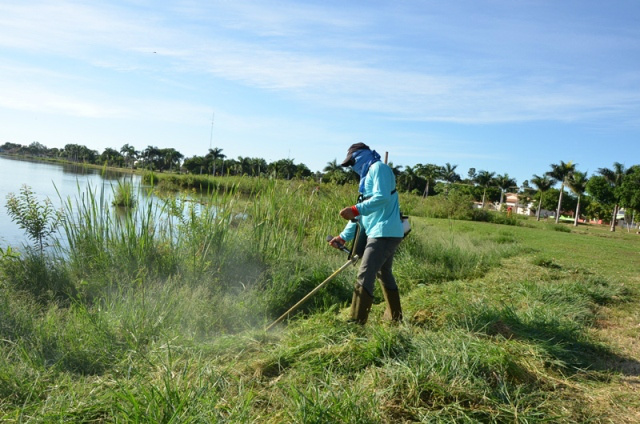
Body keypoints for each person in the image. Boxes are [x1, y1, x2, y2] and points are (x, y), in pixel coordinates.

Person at [328, 143, 405, 324]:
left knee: (365, 273)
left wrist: (355, 209)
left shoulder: (379, 169)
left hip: (384, 231)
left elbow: (382, 197)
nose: (352, 167)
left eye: (352, 162)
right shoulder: (366, 179)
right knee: (383, 273)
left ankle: (356, 323)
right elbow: (361, 216)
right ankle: (395, 318)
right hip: (378, 230)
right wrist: (343, 236)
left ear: (362, 155)